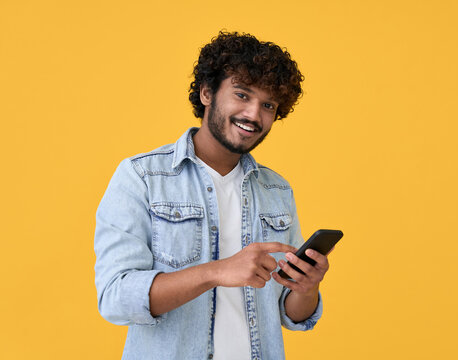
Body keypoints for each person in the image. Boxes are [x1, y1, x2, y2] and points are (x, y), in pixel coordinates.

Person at [94, 31, 331, 360]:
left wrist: (307, 287)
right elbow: (116, 297)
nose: (253, 114)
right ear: (207, 92)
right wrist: (217, 271)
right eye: (242, 95)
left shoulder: (276, 190)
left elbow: (291, 314)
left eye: (268, 105)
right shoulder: (143, 178)